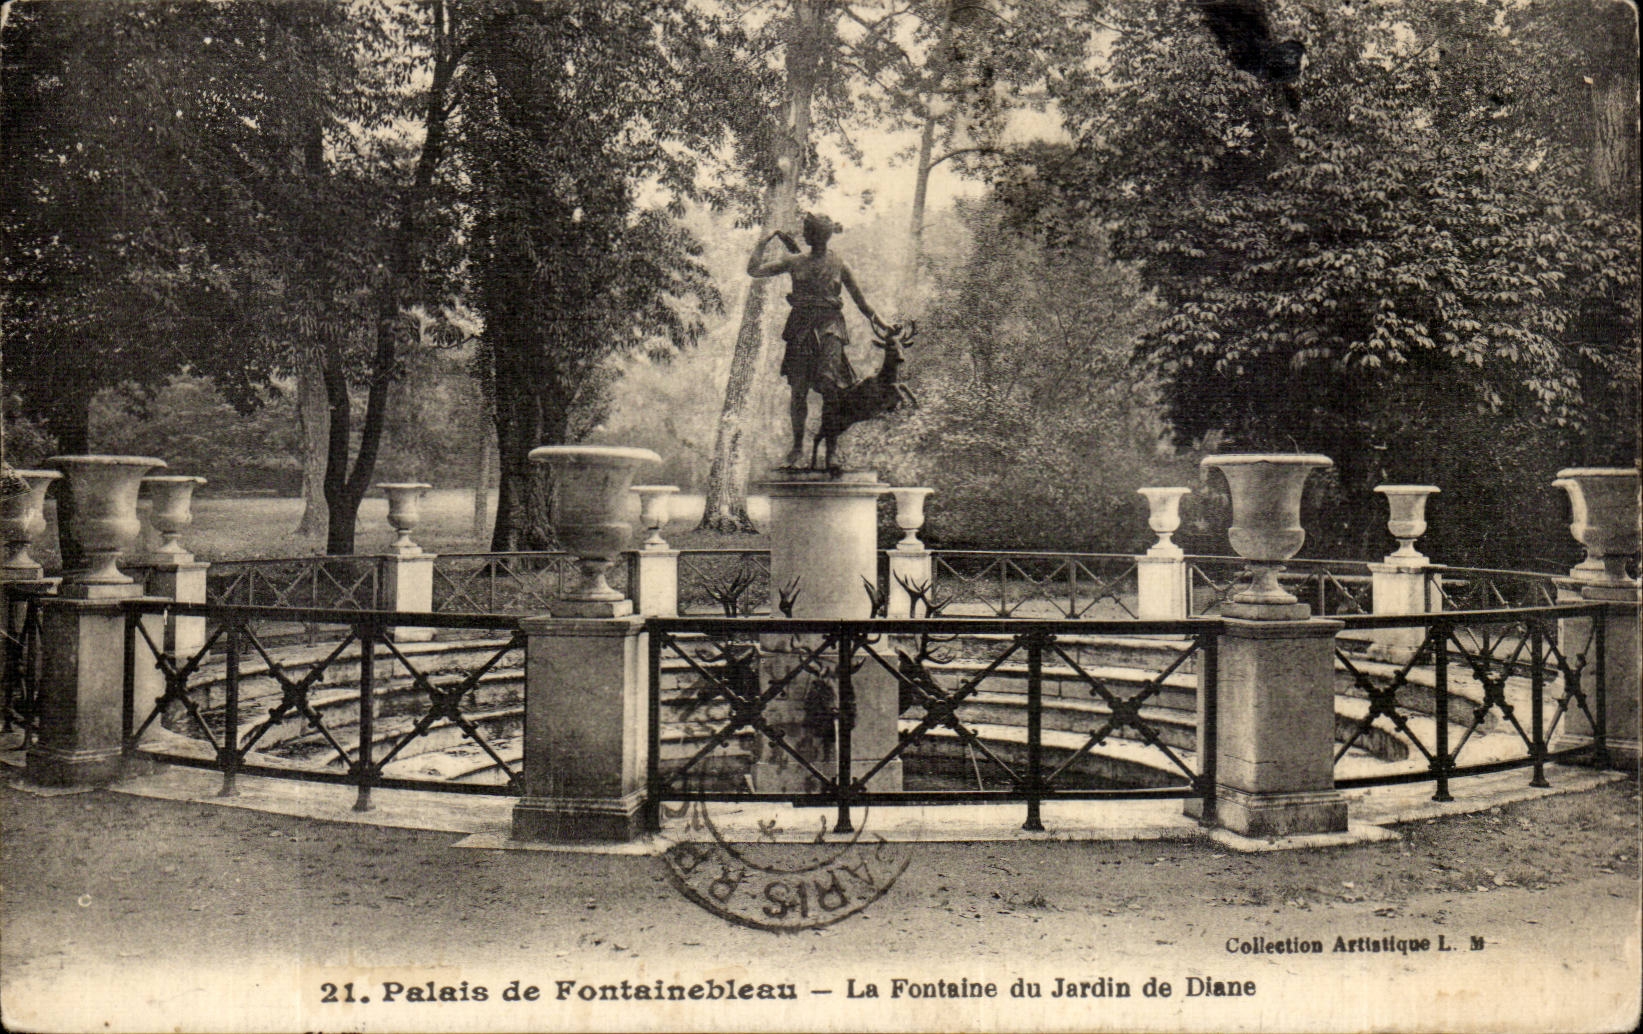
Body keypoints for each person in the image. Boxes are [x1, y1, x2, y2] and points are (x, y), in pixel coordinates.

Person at [747, 213, 887, 469]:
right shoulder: (794, 261)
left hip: (830, 326)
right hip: (801, 326)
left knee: (830, 387)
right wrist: (762, 243)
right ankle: (798, 447)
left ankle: (831, 451)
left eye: (809, 230)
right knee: (798, 389)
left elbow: (862, 302)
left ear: (819, 235)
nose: (807, 234)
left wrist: (883, 324)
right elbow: (754, 270)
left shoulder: (839, 264)